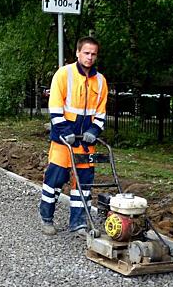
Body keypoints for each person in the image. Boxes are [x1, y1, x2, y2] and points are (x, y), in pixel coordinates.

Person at [39, 37, 108, 238]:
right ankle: (46, 218)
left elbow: (101, 113)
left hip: (85, 143)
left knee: (84, 184)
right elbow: (55, 106)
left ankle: (78, 223)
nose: (90, 57)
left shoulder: (101, 81)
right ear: (78, 53)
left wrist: (94, 131)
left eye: (93, 54)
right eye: (86, 53)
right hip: (63, 141)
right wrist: (64, 130)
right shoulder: (64, 74)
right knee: (55, 179)